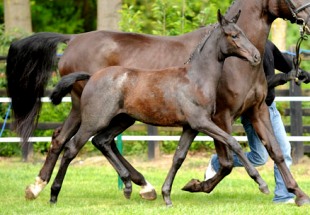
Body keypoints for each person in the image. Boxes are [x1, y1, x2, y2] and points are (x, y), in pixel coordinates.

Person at [204, 40, 310, 204]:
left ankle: (283, 196)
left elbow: (285, 63)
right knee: (261, 157)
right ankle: (217, 161)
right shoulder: (244, 52)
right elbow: (256, 87)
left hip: (270, 108)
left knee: (279, 152)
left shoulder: (266, 44)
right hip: (254, 111)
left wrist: (301, 72)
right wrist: (284, 77)